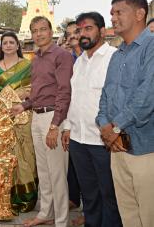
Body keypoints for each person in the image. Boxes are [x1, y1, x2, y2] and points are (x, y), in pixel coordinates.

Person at [96, 0, 154, 227]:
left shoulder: (150, 49)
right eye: (111, 13)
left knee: (148, 216)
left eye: (119, 12)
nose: (113, 18)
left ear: (140, 14)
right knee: (128, 214)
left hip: (144, 149)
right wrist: (104, 126)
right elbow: (105, 97)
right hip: (117, 147)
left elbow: (147, 97)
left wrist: (116, 126)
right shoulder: (118, 55)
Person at [61, 12, 122, 227]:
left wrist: (115, 131)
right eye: (80, 30)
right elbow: (74, 98)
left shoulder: (114, 57)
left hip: (103, 141)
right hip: (79, 139)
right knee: (89, 196)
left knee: (109, 196)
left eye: (88, 29)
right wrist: (68, 127)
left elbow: (119, 99)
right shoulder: (80, 63)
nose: (83, 34)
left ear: (102, 31)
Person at [12, 16, 73, 227]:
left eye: (43, 29)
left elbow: (64, 92)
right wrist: (25, 105)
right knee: (44, 171)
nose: (39, 34)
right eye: (35, 30)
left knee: (57, 173)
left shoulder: (62, 56)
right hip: (37, 117)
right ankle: (45, 212)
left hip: (53, 117)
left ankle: (62, 220)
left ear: (51, 31)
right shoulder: (36, 58)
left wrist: (55, 126)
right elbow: (39, 91)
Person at [0, 31, 38, 215]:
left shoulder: (27, 66)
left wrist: (21, 95)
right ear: (1, 46)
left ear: (18, 46)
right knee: (3, 152)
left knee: (24, 153)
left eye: (11, 42)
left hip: (22, 114)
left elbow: (34, 87)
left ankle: (24, 197)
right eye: (5, 43)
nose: (8, 45)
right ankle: (3, 194)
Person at [64, 20, 83, 216]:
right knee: (72, 161)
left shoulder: (90, 57)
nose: (73, 36)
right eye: (69, 34)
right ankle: (73, 199)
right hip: (70, 115)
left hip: (91, 119)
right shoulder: (68, 59)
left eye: (76, 32)